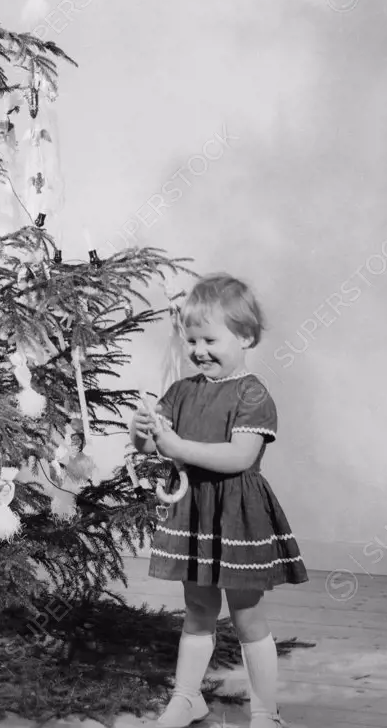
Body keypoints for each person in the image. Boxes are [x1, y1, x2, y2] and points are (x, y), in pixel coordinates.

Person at [130, 274, 307, 728]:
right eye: (191, 340)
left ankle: (266, 712)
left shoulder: (252, 393)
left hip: (235, 514)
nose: (199, 350)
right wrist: (144, 433)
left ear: (245, 337)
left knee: (245, 612)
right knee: (198, 608)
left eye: (210, 339)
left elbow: (239, 457)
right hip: (195, 512)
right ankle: (188, 698)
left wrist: (178, 448)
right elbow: (154, 447)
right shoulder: (182, 391)